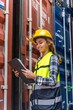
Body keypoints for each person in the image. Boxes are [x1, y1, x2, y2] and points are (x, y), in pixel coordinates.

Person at [14, 29, 62, 110]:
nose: (38, 45)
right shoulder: (40, 60)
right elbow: (36, 83)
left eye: (41, 42)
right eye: (37, 43)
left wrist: (34, 76)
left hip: (50, 106)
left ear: (48, 43)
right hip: (38, 105)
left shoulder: (52, 58)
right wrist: (23, 75)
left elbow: (52, 81)